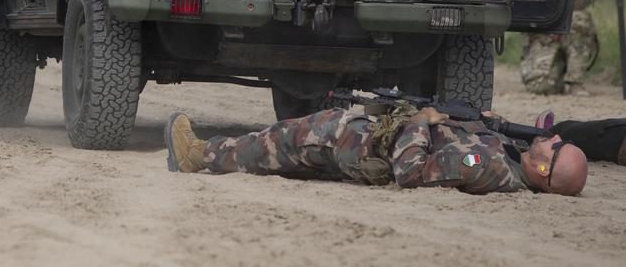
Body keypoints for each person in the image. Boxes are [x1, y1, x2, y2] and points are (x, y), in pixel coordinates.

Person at [164, 106, 588, 196]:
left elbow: (411, 171)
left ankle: (198, 155)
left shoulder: (485, 167)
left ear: (543, 166)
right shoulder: (510, 159)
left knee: (280, 143)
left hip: (365, 148)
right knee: (287, 149)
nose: (552, 137)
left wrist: (421, 122)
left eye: (556, 144)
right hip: (371, 144)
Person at [520, 0, 599, 95]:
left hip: (571, 13)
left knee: (579, 19)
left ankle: (575, 81)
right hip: (543, 28)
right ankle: (557, 75)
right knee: (540, 86)